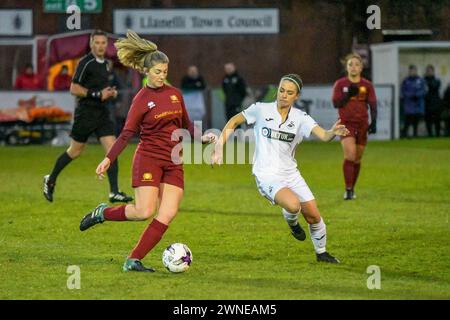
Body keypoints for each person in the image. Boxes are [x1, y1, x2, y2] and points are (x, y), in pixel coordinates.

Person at [78, 30, 216, 272]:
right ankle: (103, 213)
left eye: (165, 72)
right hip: (149, 159)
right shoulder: (141, 100)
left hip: (173, 161)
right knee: (143, 211)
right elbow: (126, 134)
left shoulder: (174, 94)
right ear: (146, 71)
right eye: (157, 72)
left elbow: (185, 124)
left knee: (169, 212)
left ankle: (133, 260)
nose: (162, 76)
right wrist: (108, 159)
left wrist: (202, 137)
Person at [212, 74, 349, 264]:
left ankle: (322, 253)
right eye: (281, 90)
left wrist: (332, 132)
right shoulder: (260, 109)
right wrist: (219, 145)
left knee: (313, 215)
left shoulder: (301, 118)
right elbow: (234, 121)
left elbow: (323, 136)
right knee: (293, 205)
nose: (283, 95)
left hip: (291, 174)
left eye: (289, 92)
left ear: (297, 96)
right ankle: (293, 223)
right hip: (266, 175)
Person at [43, 30, 133, 204]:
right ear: (91, 44)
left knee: (112, 151)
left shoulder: (105, 64)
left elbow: (101, 89)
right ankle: (51, 178)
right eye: (97, 43)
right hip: (86, 113)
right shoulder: (86, 62)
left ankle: (114, 192)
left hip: (102, 113)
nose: (100, 46)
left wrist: (110, 93)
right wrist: (97, 94)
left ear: (107, 45)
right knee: (75, 151)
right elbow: (74, 88)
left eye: (103, 43)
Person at [332, 53, 377, 200]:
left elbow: (373, 104)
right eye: (350, 64)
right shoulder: (340, 84)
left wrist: (374, 122)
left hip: (362, 124)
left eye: (357, 64)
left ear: (361, 67)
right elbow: (336, 104)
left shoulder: (367, 85)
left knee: (357, 159)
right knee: (350, 155)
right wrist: (347, 95)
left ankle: (352, 187)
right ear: (346, 67)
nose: (353, 67)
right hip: (346, 124)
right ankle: (348, 189)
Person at [401, 65, 426, 138]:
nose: (412, 72)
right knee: (407, 121)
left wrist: (417, 95)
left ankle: (415, 134)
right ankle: (404, 134)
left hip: (417, 105)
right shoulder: (406, 81)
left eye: (413, 71)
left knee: (416, 121)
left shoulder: (420, 80)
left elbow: (424, 90)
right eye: (411, 71)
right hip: (409, 105)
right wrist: (410, 95)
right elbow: (403, 91)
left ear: (416, 71)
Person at [424, 65, 442, 137]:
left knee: (437, 120)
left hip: (436, 103)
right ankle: (430, 135)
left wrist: (427, 81)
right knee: (428, 121)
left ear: (433, 71)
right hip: (427, 103)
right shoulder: (423, 80)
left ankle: (437, 134)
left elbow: (434, 87)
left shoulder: (437, 80)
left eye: (430, 71)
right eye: (428, 71)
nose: (429, 72)